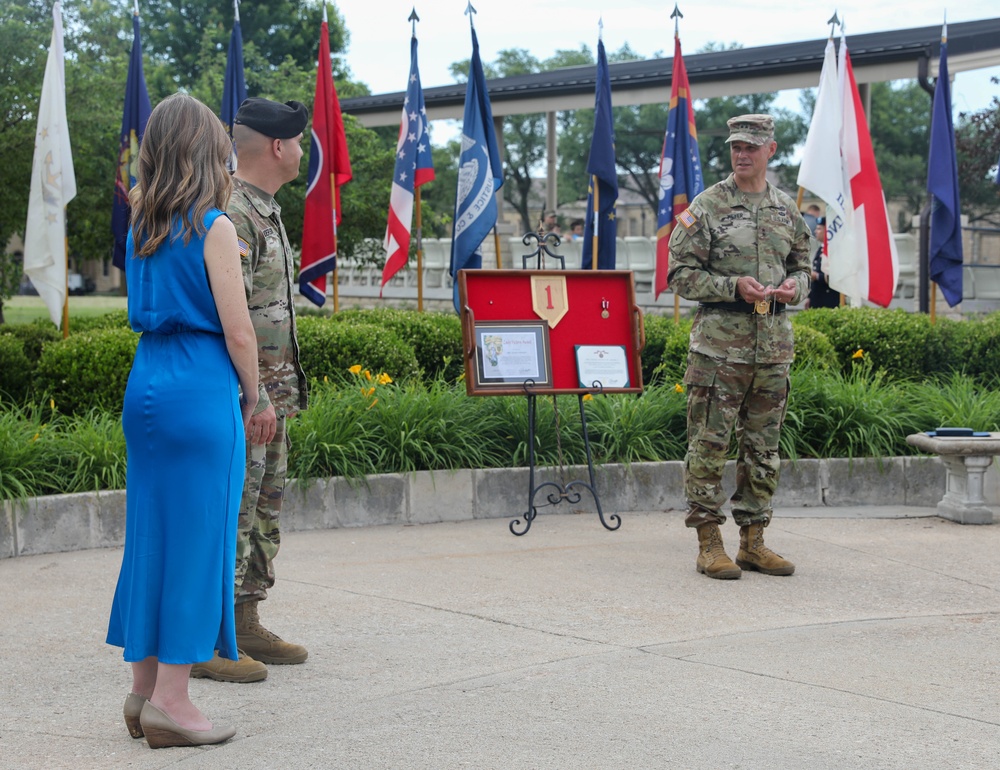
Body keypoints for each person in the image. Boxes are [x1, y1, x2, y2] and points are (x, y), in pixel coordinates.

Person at [106, 93, 259, 748]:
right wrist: (255, 395)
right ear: (207, 151)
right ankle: (174, 700)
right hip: (199, 386)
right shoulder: (214, 226)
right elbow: (239, 330)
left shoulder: (142, 221)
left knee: (150, 540)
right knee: (199, 544)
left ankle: (142, 693)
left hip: (146, 384)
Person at [190, 97, 310, 683]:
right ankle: (215, 636)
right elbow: (227, 313)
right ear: (280, 147)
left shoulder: (264, 208)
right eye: (300, 142)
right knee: (236, 512)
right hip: (249, 396)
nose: (303, 152)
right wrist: (254, 394)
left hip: (273, 393)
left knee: (262, 511)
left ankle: (245, 618)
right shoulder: (234, 213)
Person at [667, 114, 811, 581]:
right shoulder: (706, 206)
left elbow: (806, 267)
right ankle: (709, 542)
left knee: (763, 449)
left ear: (771, 150)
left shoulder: (787, 210)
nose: (742, 154)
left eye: (751, 146)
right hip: (718, 350)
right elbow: (678, 274)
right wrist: (733, 287)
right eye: (735, 146)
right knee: (708, 445)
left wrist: (795, 287)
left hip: (773, 347)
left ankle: (754, 541)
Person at [807, 219, 840, 309]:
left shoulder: (833, 250)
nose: (815, 231)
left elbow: (835, 276)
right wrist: (810, 297)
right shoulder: (821, 248)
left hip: (828, 300)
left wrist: (817, 276)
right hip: (817, 298)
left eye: (819, 229)